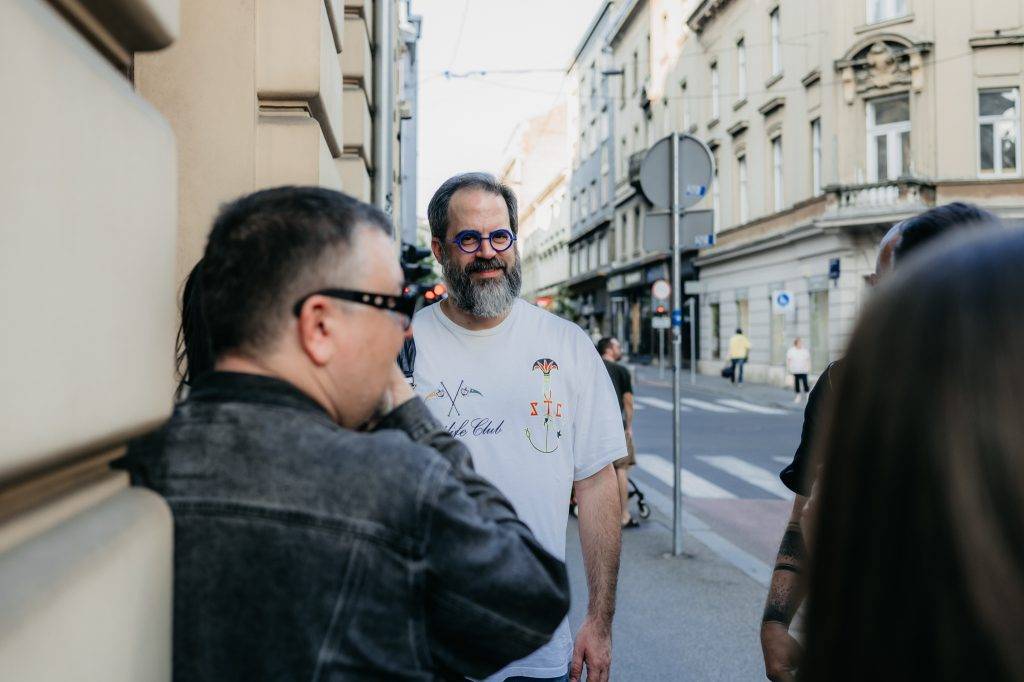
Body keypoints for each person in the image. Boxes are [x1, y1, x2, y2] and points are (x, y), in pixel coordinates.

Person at [114, 186, 570, 681]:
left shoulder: (131, 468)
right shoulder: (390, 481)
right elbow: (532, 600)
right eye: (391, 305)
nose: (406, 329)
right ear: (319, 327)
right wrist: (411, 413)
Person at [760, 201, 1001, 682]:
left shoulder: (1000, 400)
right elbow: (802, 514)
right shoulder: (843, 384)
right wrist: (775, 621)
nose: (876, 305)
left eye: (888, 289)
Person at [414, 172, 625, 682]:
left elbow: (597, 484)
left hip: (537, 646)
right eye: (469, 239)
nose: (488, 252)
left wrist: (599, 621)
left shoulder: (567, 344)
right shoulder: (403, 345)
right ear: (440, 249)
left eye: (500, 236)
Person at [597, 337, 637, 528]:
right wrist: (629, 426)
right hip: (614, 426)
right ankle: (624, 515)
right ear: (609, 350)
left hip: (592, 426)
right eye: (618, 346)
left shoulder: (592, 367)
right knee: (621, 468)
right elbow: (628, 401)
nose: (620, 349)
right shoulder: (621, 371)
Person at [785, 338, 811, 404]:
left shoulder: (804, 350)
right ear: (796, 343)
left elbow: (808, 359)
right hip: (795, 370)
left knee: (805, 383)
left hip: (803, 370)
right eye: (799, 343)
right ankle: (798, 396)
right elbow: (788, 359)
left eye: (801, 343)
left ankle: (807, 395)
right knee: (797, 384)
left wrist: (808, 367)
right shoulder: (791, 350)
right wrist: (788, 368)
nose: (800, 344)